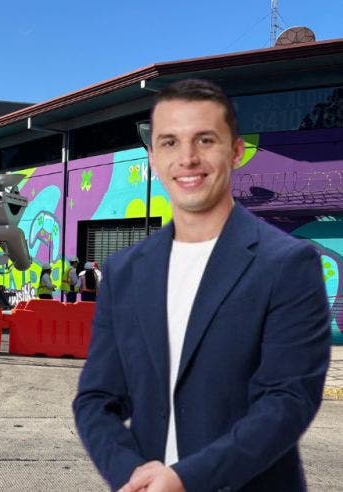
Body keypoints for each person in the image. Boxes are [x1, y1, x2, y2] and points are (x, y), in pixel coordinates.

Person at [73, 79, 330, 492]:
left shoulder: (287, 264)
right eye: (170, 143)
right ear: (153, 158)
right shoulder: (124, 270)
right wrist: (132, 475)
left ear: (236, 151)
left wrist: (185, 480)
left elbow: (287, 402)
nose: (187, 158)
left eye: (205, 140)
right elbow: (95, 400)